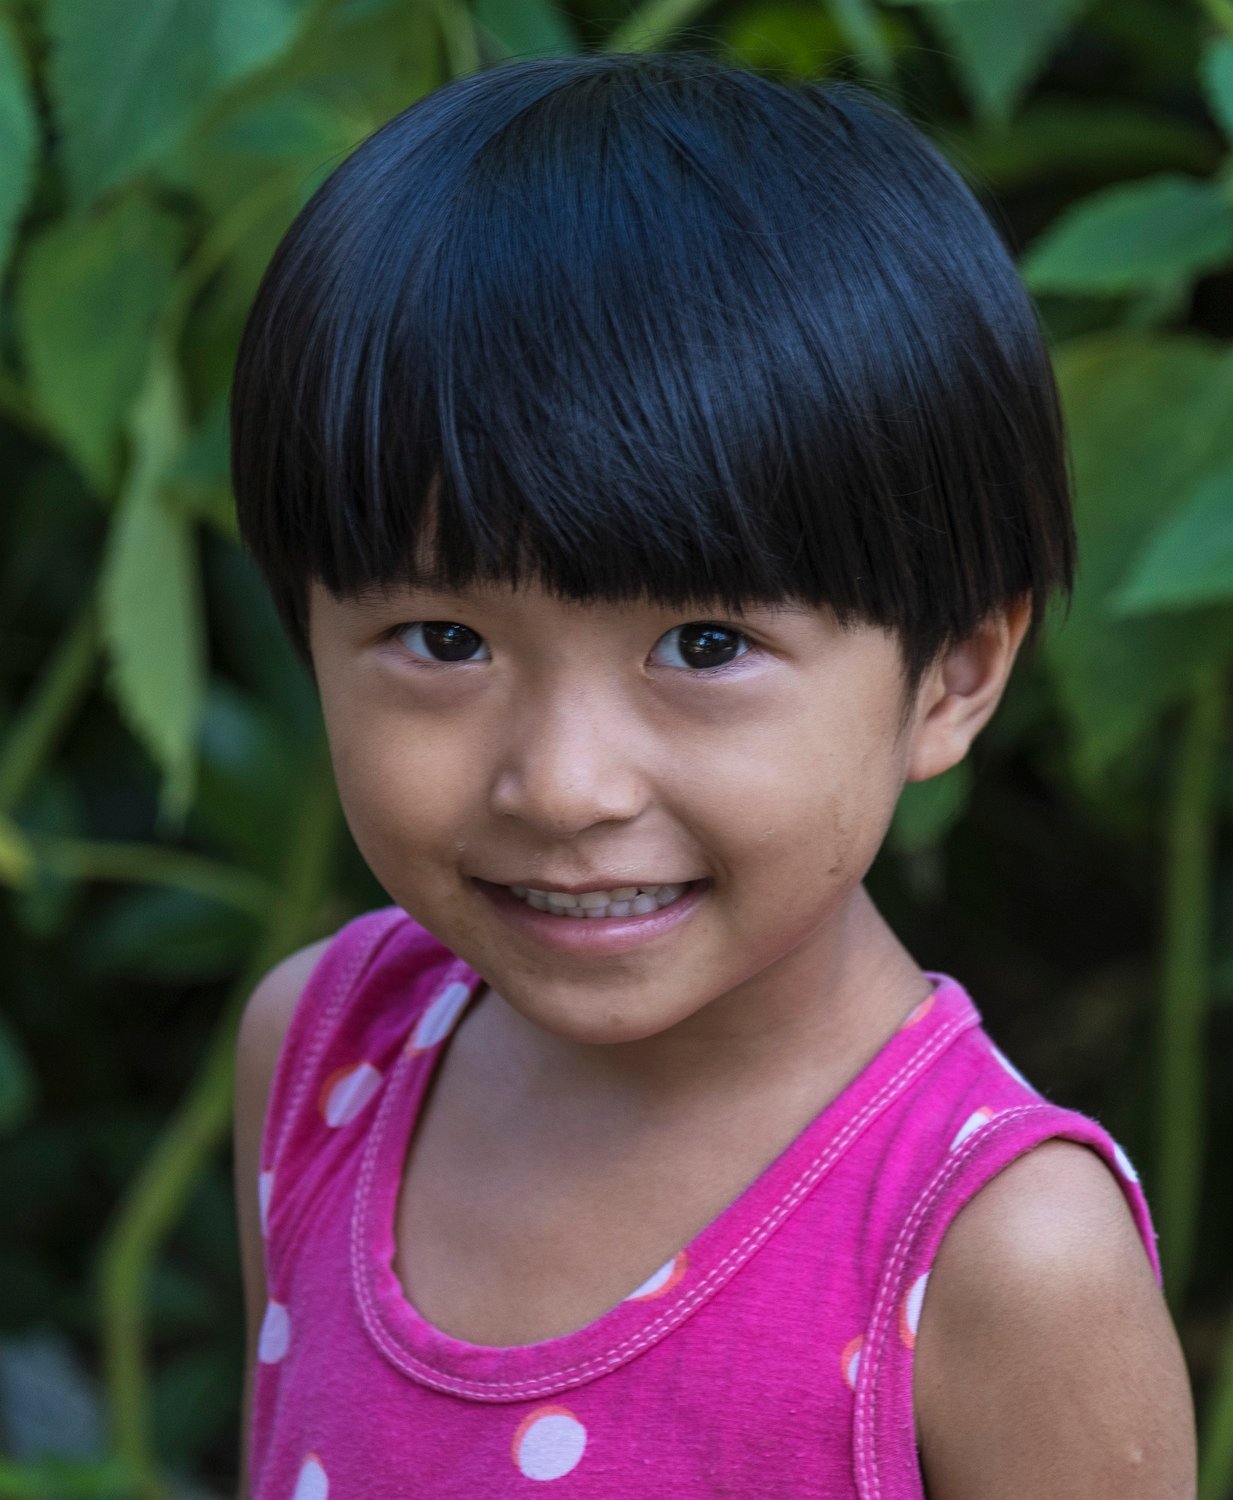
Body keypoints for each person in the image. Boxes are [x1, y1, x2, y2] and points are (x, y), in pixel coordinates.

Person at [227, 50, 1196, 1499]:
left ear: (952, 675)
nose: (563, 786)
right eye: (445, 639)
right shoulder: (323, 1053)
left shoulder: (999, 1258)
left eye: (703, 645)